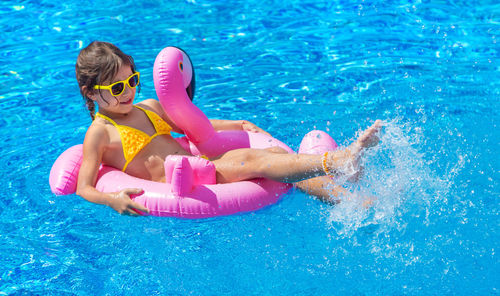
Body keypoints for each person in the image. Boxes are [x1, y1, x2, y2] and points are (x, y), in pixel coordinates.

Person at [75, 41, 382, 216]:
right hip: (184, 183)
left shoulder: (148, 107)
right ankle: (338, 160)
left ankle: (348, 200)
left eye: (132, 81)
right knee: (255, 161)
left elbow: (196, 127)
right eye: (117, 87)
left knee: (274, 154)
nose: (128, 91)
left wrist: (238, 124)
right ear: (90, 92)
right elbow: (83, 187)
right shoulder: (100, 133)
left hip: (203, 169)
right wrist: (113, 199)